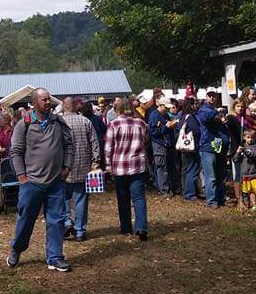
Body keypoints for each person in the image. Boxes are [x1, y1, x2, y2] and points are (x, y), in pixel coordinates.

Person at [6, 88, 74, 272]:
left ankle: (55, 257)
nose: (48, 103)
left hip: (55, 183)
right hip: (32, 183)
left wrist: (67, 167)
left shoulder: (58, 122)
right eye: (44, 100)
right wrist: (22, 177)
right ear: (35, 103)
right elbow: (16, 151)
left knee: (57, 220)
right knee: (26, 220)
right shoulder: (24, 124)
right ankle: (16, 249)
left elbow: (69, 145)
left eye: (49, 99)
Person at [105, 98, 150, 240]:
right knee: (139, 198)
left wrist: (107, 165)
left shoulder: (114, 124)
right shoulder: (141, 124)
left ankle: (126, 228)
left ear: (118, 109)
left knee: (123, 198)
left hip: (120, 166)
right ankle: (141, 227)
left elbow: (108, 147)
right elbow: (146, 141)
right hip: (138, 165)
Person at [61, 97, 100, 242]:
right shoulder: (85, 121)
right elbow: (95, 143)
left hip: (63, 168)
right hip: (83, 167)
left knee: (62, 198)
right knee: (81, 200)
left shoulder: (59, 123)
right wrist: (96, 162)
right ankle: (80, 231)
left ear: (64, 107)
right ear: (75, 107)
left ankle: (66, 222)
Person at [197, 91, 229, 207]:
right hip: (207, 145)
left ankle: (221, 198)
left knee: (220, 174)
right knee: (211, 176)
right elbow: (206, 117)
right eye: (210, 95)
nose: (212, 98)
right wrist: (216, 112)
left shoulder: (217, 111)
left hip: (218, 143)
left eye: (214, 95)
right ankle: (212, 201)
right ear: (206, 97)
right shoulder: (204, 109)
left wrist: (222, 119)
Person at [148, 97, 179, 198]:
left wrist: (173, 125)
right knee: (162, 168)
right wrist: (166, 127)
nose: (167, 109)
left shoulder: (166, 115)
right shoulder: (153, 116)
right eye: (166, 107)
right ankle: (164, 190)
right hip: (159, 144)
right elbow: (153, 132)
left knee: (171, 167)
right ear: (160, 105)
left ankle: (172, 187)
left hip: (169, 144)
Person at [177, 98, 203, 201]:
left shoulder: (183, 116)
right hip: (192, 147)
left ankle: (189, 191)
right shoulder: (191, 117)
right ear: (191, 105)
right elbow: (196, 131)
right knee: (193, 169)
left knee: (189, 169)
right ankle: (190, 193)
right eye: (195, 104)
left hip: (186, 148)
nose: (196, 106)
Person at [234, 129, 256, 212]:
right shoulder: (242, 146)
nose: (250, 139)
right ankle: (254, 204)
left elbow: (253, 155)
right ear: (244, 137)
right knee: (250, 190)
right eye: (248, 137)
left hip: (254, 173)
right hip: (245, 174)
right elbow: (235, 160)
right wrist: (238, 152)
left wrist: (245, 151)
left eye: (252, 138)